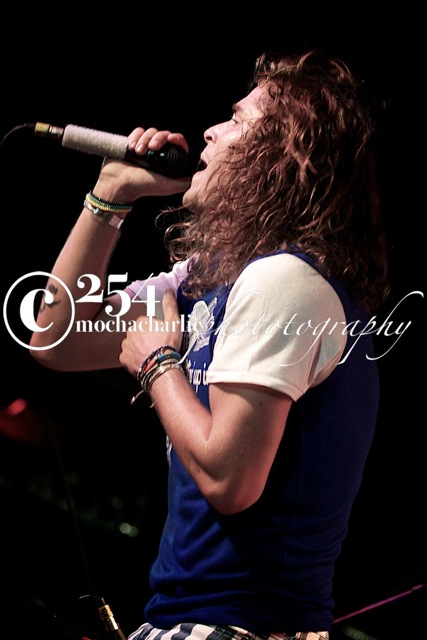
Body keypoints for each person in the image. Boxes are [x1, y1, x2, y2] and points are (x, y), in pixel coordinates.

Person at [29, 48, 390, 640]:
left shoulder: (287, 282)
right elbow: (57, 339)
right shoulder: (206, 281)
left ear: (280, 156)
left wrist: (158, 363)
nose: (210, 131)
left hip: (239, 628)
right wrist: (111, 195)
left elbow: (230, 482)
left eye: (238, 120)